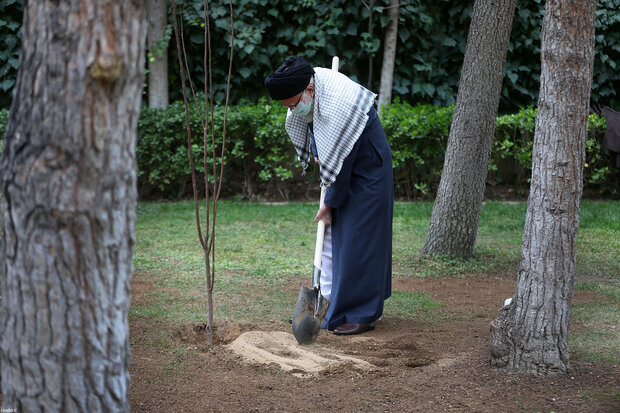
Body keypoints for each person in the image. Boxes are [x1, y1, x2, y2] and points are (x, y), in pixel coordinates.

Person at [264, 56, 393, 335]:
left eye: (292, 104)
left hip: (368, 170)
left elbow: (342, 161)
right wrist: (320, 149)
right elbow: (314, 126)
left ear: (309, 91)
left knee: (361, 241)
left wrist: (330, 203)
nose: (291, 111)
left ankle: (362, 313)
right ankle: (333, 306)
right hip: (350, 164)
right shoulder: (310, 86)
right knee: (337, 240)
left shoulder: (337, 104)